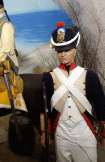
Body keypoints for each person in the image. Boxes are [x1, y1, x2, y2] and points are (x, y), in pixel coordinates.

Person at [40, 22, 105, 161]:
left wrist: (104, 134)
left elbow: (101, 106)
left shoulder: (90, 76)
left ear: (75, 49)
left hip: (84, 134)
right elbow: (44, 107)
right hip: (61, 135)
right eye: (59, 51)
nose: (63, 54)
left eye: (67, 50)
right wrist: (45, 132)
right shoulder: (49, 77)